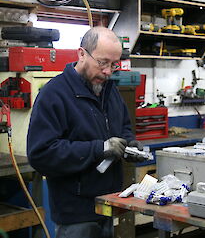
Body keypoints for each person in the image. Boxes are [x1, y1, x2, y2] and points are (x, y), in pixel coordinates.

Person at [27, 26, 144, 238]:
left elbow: (123, 128)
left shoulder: (110, 91)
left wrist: (129, 145)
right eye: (102, 62)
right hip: (76, 213)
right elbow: (41, 154)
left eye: (114, 64)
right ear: (81, 54)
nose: (108, 71)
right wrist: (100, 148)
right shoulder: (54, 94)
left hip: (108, 202)